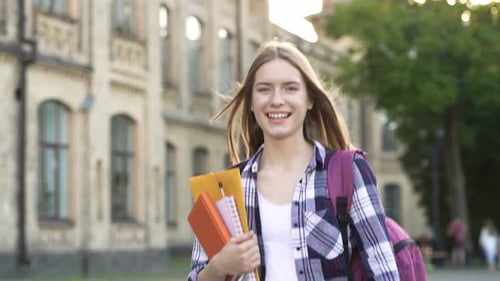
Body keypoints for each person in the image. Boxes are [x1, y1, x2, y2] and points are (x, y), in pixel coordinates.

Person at [187, 39, 399, 280]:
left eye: (290, 88)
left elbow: (386, 273)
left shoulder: (347, 172)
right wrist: (220, 266)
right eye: (264, 89)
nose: (277, 100)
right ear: (252, 104)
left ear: (309, 99)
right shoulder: (225, 189)